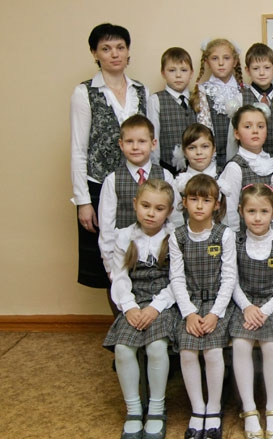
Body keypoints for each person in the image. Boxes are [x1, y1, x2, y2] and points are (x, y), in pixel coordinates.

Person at [71, 23, 148, 298]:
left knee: (142, 256)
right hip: (100, 186)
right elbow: (79, 149)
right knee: (109, 263)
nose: (114, 54)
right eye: (106, 48)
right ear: (95, 53)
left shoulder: (141, 90)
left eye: (120, 47)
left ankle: (142, 319)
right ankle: (120, 319)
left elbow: (152, 141)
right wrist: (83, 202)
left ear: (128, 52)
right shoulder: (85, 93)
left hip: (139, 186)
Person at [102, 179, 178, 439]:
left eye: (159, 208)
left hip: (164, 304)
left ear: (169, 211)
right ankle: (134, 409)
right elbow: (120, 277)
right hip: (134, 303)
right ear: (135, 205)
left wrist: (155, 307)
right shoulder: (124, 237)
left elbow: (177, 280)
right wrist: (130, 306)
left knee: (156, 347)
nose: (151, 213)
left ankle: (156, 408)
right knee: (123, 349)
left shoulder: (174, 237)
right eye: (146, 206)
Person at [170, 174, 236, 439]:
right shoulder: (177, 236)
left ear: (216, 205)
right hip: (191, 304)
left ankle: (214, 407)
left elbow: (229, 278)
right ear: (184, 202)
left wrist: (214, 313)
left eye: (206, 200)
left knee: (212, 350)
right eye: (194, 199)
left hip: (218, 305)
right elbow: (176, 278)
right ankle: (197, 409)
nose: (199, 206)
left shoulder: (225, 234)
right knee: (187, 350)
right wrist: (188, 312)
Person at [230, 184, 273, 439]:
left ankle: (272, 408)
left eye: (264, 211)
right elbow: (231, 281)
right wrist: (247, 307)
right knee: (241, 344)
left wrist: (264, 310)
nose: (257, 218)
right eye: (251, 211)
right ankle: (249, 410)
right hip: (244, 305)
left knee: (271, 345)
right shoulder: (235, 241)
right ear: (241, 211)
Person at [98, 115, 181, 279]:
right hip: (125, 256)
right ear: (121, 144)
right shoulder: (112, 180)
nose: (135, 147)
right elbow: (106, 227)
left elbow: (176, 219)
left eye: (142, 141)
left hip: (161, 256)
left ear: (153, 144)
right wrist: (109, 266)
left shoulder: (165, 175)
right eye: (129, 141)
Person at [218, 104, 273, 231]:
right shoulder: (235, 167)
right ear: (237, 133)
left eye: (260, 126)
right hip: (245, 236)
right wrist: (235, 237)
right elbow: (230, 211)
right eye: (248, 126)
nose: (255, 131)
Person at [191, 38, 243, 171]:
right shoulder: (202, 91)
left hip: (241, 158)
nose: (221, 63)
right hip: (212, 158)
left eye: (226, 58)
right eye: (215, 58)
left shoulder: (244, 91)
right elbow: (203, 127)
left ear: (235, 61)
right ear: (207, 62)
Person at [147, 47, 196, 176]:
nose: (178, 75)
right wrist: (155, 168)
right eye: (172, 70)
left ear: (191, 73)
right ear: (163, 73)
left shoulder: (197, 98)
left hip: (195, 167)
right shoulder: (155, 100)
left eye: (184, 70)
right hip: (167, 168)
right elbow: (154, 136)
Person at [242, 43, 273, 162]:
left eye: (267, 67)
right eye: (256, 68)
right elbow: (232, 138)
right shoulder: (240, 99)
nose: (261, 73)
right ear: (247, 70)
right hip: (248, 161)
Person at [172, 123, 219, 195]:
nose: (199, 152)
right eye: (192, 148)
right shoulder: (178, 182)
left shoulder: (223, 176)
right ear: (184, 151)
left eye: (205, 146)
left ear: (214, 149)